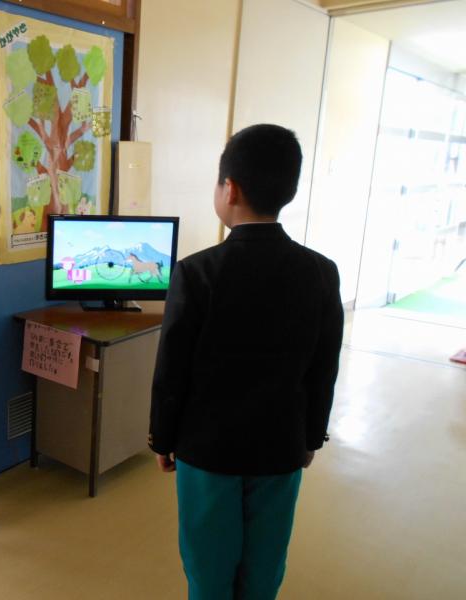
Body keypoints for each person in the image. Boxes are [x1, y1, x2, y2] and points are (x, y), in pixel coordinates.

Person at [149, 124, 344, 600]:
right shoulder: (321, 272)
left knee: (208, 567)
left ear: (229, 189)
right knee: (264, 566)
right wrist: (311, 437)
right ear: (289, 190)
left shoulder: (196, 272)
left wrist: (162, 438)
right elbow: (324, 367)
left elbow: (172, 370)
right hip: (281, 446)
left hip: (206, 450)